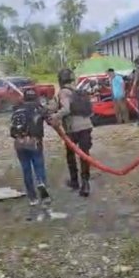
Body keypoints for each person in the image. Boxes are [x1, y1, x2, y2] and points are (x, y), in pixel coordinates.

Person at [50, 68, 93, 197]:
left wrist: (54, 116)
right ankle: (85, 183)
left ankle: (75, 181)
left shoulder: (63, 92)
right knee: (85, 155)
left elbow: (66, 109)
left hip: (73, 128)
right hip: (86, 126)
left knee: (71, 155)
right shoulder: (78, 90)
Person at [10, 88, 51, 208]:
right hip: (34, 142)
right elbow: (50, 119)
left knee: (26, 169)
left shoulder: (17, 109)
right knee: (39, 166)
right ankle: (41, 183)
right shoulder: (38, 108)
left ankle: (32, 198)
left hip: (19, 143)